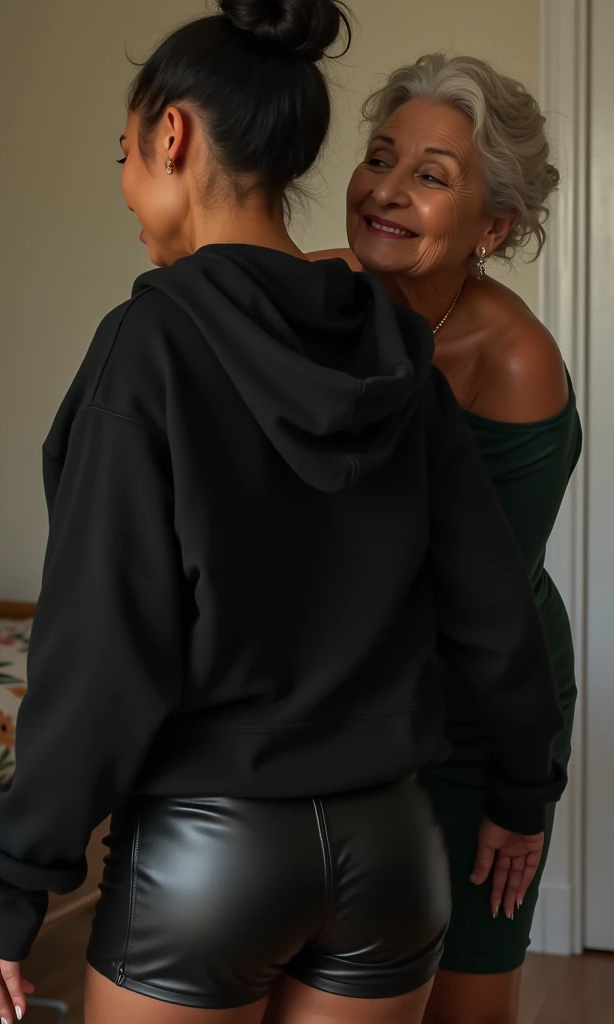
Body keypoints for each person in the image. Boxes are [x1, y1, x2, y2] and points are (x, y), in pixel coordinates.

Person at [0, 12, 565, 1024]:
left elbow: (105, 648)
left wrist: (14, 879)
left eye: (125, 151)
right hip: (395, 850)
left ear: (173, 138)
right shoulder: (394, 346)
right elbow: (492, 601)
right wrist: (519, 787)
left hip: (210, 853)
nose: (125, 183)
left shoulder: (147, 343)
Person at [311, 53, 582, 1024]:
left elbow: (482, 607)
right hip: (347, 703)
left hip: (481, 710)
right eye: (380, 157)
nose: (385, 188)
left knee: (463, 994)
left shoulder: (512, 361)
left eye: (430, 174)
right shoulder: (305, 299)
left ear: (494, 226)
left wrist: (519, 788)